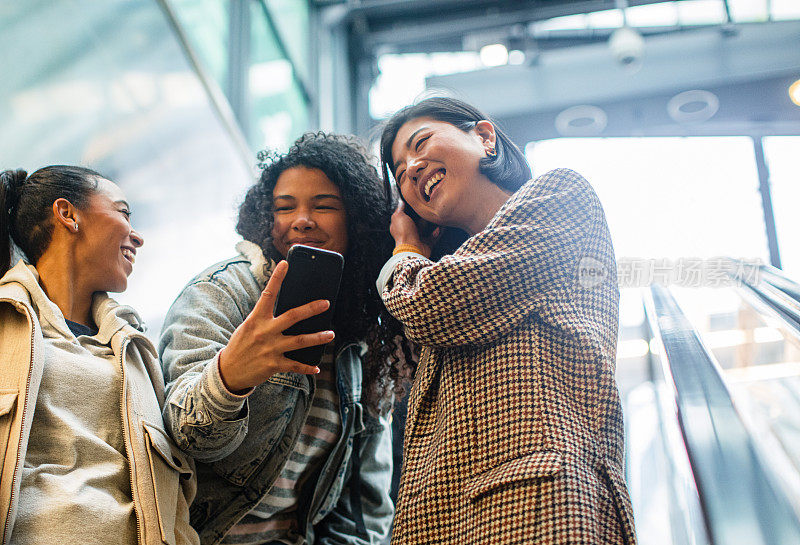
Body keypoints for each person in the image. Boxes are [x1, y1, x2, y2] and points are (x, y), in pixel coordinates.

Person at [376, 97, 637, 544]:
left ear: (485, 136)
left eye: (421, 145)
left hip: (539, 503)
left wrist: (405, 252)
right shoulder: (453, 271)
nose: (412, 169)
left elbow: (426, 302)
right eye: (400, 172)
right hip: (445, 522)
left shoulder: (560, 195)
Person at [159, 132, 411, 545]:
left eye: (324, 206)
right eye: (284, 207)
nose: (302, 220)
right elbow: (186, 436)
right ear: (264, 220)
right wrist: (229, 378)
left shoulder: (364, 337)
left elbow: (364, 506)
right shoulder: (222, 293)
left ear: (358, 221)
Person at [0, 166, 199, 545]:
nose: (137, 236)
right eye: (123, 212)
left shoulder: (137, 352)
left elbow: (177, 497)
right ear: (68, 214)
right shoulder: (5, 322)